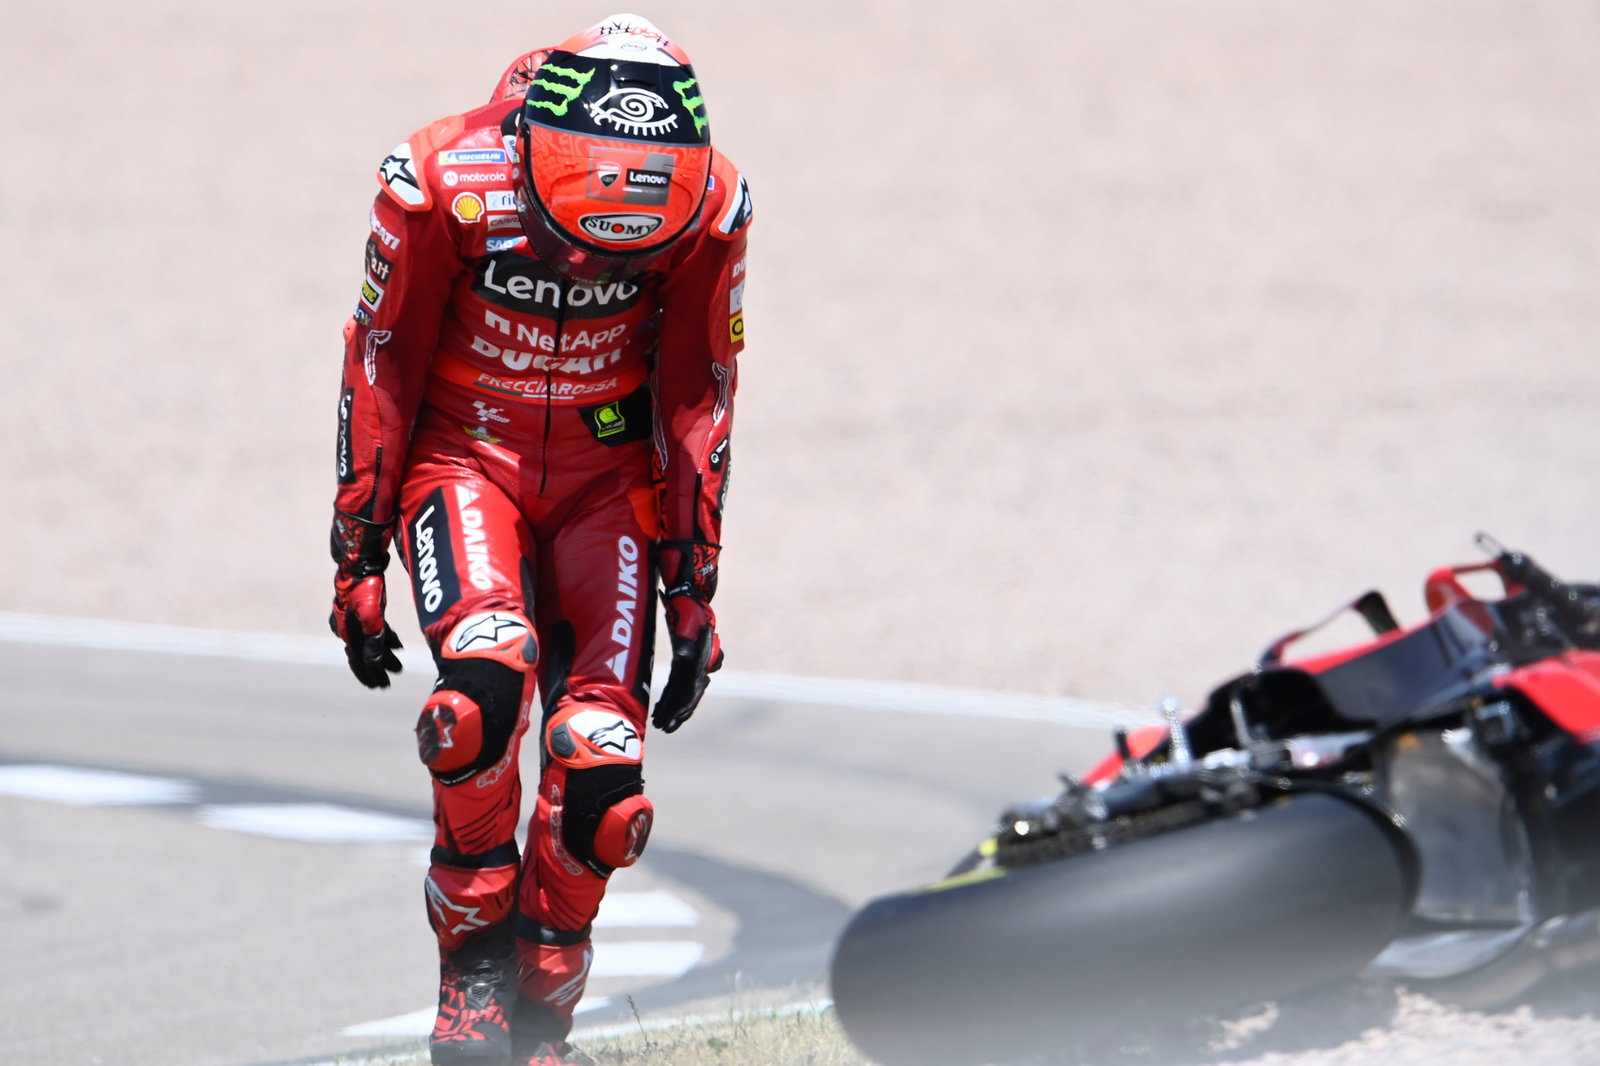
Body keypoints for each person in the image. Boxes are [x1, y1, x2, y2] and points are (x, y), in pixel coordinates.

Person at [327, 14, 751, 1066]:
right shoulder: (435, 177)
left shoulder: (716, 203)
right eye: (563, 240)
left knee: (603, 771)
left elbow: (700, 389)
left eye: (622, 258)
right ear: (526, 154)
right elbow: (380, 357)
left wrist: (692, 588)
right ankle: (470, 973)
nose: (583, 268)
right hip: (463, 459)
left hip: (609, 486)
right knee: (480, 687)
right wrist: (357, 550)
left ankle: (543, 1018)